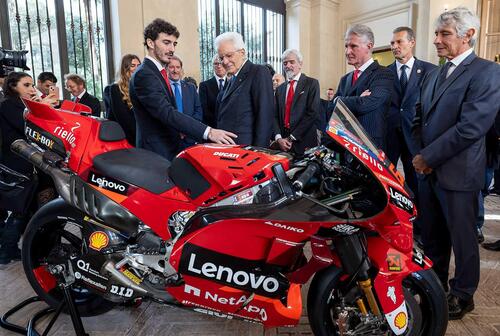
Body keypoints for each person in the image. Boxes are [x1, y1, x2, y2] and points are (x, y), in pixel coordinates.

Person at [412, 7, 500, 320]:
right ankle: (433, 286)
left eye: (444, 34)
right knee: (433, 237)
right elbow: (419, 118)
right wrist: (420, 157)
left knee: (463, 240)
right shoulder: (436, 73)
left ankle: (463, 293)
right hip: (429, 173)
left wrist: (428, 157)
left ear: (469, 35)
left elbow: (471, 127)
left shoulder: (487, 72)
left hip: (459, 174)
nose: (436, 40)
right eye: (437, 33)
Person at [129, 18, 236, 161]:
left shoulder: (157, 72)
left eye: (174, 44)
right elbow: (166, 112)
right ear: (150, 43)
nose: (172, 49)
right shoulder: (145, 74)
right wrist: (208, 132)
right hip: (155, 153)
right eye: (166, 42)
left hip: (168, 148)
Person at [386, 26, 436, 242]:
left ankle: (420, 228)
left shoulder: (429, 71)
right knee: (387, 181)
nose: (395, 46)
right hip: (389, 136)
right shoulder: (383, 73)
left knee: (417, 183)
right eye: (392, 43)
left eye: (399, 42)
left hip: (414, 136)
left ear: (412, 42)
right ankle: (391, 224)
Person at [331, 24, 394, 149]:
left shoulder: (384, 74)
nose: (347, 51)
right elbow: (332, 110)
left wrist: (338, 100)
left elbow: (365, 104)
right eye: (346, 46)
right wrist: (357, 99)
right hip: (344, 146)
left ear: (369, 46)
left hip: (370, 148)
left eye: (353, 46)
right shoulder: (345, 79)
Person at [0, 72, 39, 265]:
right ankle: (6, 251)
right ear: (13, 86)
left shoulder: (22, 105)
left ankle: (13, 248)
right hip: (16, 164)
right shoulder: (8, 105)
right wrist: (41, 108)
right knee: (19, 211)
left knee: (25, 210)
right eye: (27, 85)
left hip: (26, 163)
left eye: (32, 85)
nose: (32, 89)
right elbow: (26, 125)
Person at [214, 31, 274, 147]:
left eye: (229, 55)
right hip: (229, 149)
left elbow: (264, 117)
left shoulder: (258, 72)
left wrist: (258, 153)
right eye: (221, 57)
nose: (224, 62)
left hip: (247, 152)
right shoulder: (231, 79)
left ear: (242, 52)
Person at [273, 49, 320, 156]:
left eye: (291, 62)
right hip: (283, 144)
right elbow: (274, 116)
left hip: (304, 142)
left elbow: (312, 113)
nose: (288, 65)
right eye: (285, 63)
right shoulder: (280, 89)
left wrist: (292, 137)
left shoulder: (311, 83)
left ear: (300, 64)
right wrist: (279, 138)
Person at [167, 55, 203, 149]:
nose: (175, 70)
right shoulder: (163, 88)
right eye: (171, 67)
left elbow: (198, 111)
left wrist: (186, 129)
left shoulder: (191, 87)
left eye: (178, 67)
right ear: (166, 69)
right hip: (169, 139)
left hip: (189, 138)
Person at [104, 54, 141, 145]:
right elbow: (124, 119)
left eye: (138, 66)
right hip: (125, 139)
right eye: (132, 65)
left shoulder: (140, 87)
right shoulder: (115, 89)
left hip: (140, 136)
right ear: (125, 68)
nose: (136, 68)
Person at [199, 54, 227, 128]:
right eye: (216, 63)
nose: (219, 66)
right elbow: (204, 109)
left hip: (230, 127)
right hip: (212, 127)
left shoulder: (233, 84)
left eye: (221, 63)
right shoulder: (204, 86)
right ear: (212, 66)